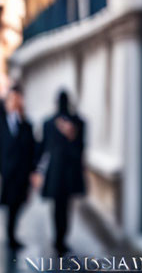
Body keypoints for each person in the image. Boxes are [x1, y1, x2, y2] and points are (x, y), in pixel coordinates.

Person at [38, 91, 85, 255]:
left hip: (67, 172)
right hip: (57, 172)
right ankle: (59, 239)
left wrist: (71, 133)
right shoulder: (49, 123)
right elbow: (43, 147)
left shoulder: (77, 123)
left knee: (64, 207)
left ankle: (61, 238)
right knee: (59, 207)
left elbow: (80, 147)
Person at [0, 83, 36, 250]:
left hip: (21, 173)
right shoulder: (2, 122)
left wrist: (33, 171)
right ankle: (11, 236)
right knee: (10, 203)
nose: (14, 102)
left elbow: (31, 149)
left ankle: (11, 234)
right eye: (11, 99)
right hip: (6, 172)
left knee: (18, 204)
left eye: (17, 99)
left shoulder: (26, 124)